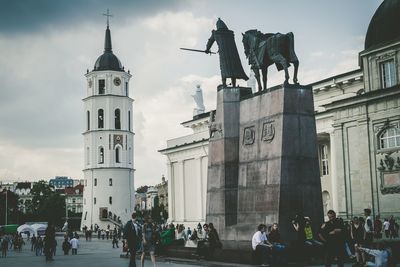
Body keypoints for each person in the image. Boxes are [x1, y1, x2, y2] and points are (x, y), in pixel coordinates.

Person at [205, 18, 248, 87]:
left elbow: (210, 41)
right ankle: (234, 85)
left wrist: (207, 49)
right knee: (233, 68)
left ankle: (224, 84)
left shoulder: (216, 33)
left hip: (223, 54)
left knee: (223, 68)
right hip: (233, 54)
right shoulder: (230, 34)